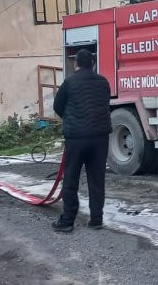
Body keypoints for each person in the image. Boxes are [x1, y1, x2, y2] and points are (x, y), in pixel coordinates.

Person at [50, 49, 112, 233]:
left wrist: (71, 120)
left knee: (71, 179)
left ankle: (68, 220)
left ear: (76, 64)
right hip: (100, 138)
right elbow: (105, 103)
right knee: (97, 179)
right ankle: (96, 219)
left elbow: (57, 106)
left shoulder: (69, 82)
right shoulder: (103, 82)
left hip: (77, 138)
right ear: (92, 64)